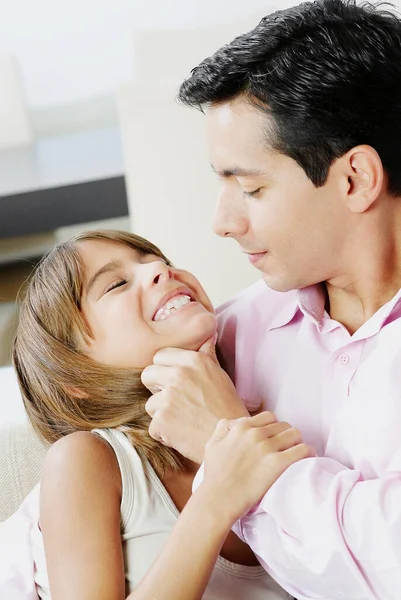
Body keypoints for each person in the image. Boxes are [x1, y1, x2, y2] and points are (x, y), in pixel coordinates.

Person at [139, 1, 401, 598]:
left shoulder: (216, 401)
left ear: (355, 179)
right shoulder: (226, 339)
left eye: (251, 187)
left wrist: (231, 447)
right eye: (222, 181)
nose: (222, 221)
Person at [12, 228, 310, 600]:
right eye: (117, 283)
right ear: (75, 375)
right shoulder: (86, 460)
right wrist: (216, 497)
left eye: (161, 260)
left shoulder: (276, 403)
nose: (159, 268)